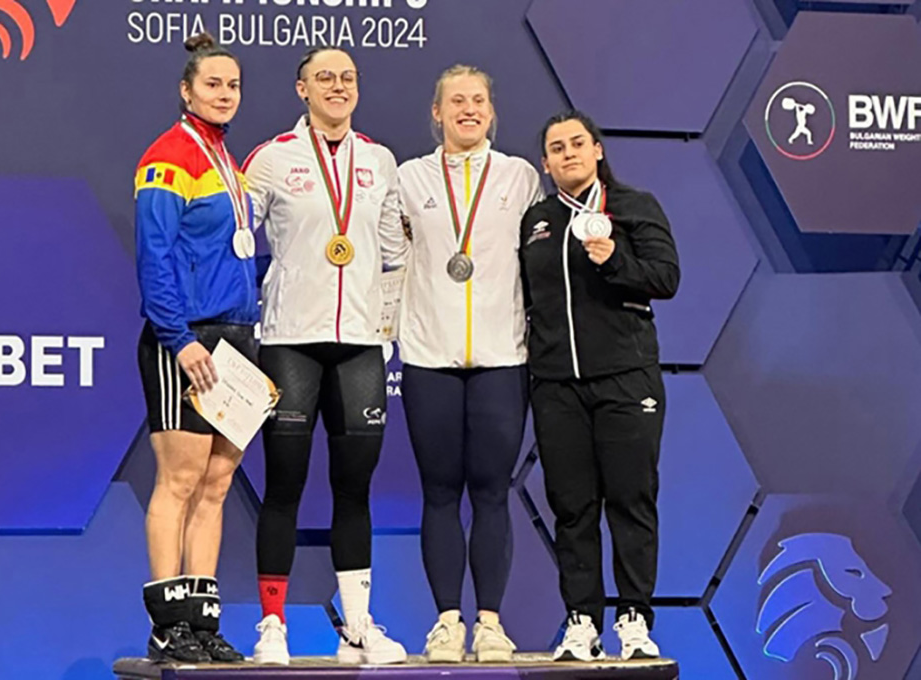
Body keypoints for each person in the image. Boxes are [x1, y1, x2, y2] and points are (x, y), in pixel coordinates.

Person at [241, 46, 408, 666]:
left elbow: (394, 250)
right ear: (302, 89)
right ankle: (273, 625)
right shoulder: (271, 158)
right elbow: (237, 239)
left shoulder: (380, 160)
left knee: (354, 488)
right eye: (325, 78)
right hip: (290, 340)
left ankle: (358, 625)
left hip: (361, 344)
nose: (338, 87)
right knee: (283, 485)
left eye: (348, 78)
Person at [519, 111, 680, 662]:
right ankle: (581, 620)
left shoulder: (634, 206)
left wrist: (617, 260)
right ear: (545, 164)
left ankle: (634, 619)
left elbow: (666, 278)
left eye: (577, 143)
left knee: (631, 499)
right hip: (557, 385)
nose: (568, 153)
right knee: (572, 507)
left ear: (597, 150)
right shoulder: (537, 221)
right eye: (556, 148)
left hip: (626, 378)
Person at [397, 65, 541, 663]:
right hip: (429, 357)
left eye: (478, 99)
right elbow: (391, 257)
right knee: (438, 491)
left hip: (502, 358)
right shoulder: (409, 178)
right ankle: (445, 623)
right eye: (456, 100)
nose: (468, 109)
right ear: (437, 113)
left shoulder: (520, 177)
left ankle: (490, 624)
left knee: (491, 491)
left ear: (492, 110)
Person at [134, 32, 256, 665]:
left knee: (217, 481)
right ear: (187, 91)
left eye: (233, 85)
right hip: (186, 339)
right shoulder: (168, 157)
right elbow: (154, 255)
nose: (224, 94)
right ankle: (167, 627)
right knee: (180, 480)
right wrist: (177, 339)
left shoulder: (226, 160)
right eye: (212, 84)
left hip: (235, 339)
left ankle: (203, 624)